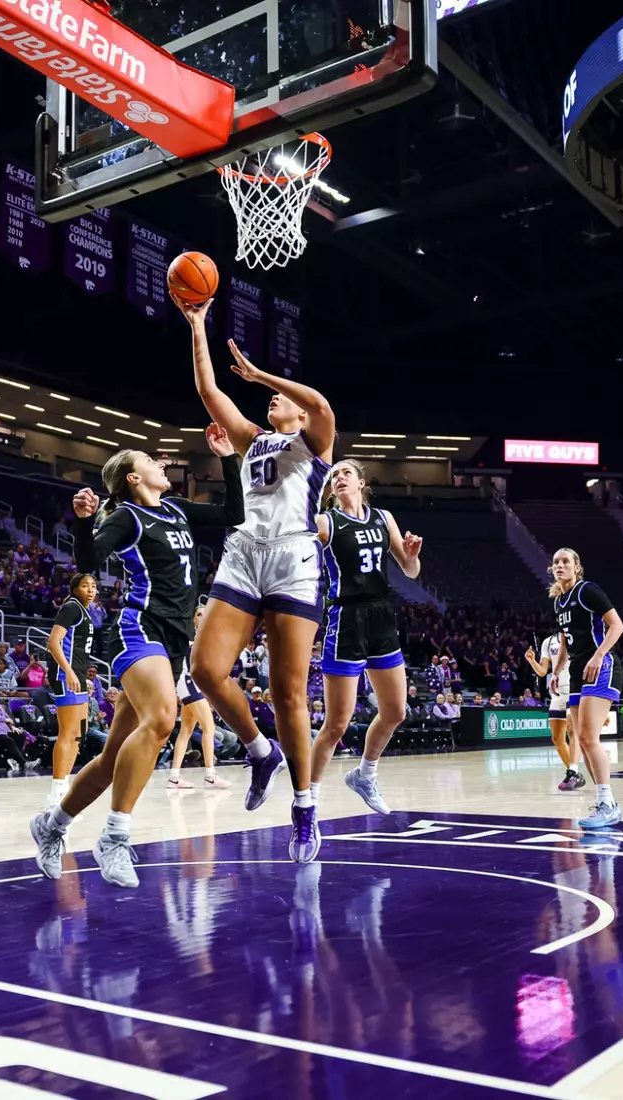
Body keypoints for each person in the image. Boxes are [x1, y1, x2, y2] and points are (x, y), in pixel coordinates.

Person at [30, 431, 244, 889]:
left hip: (173, 640)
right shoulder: (127, 516)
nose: (161, 462)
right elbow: (87, 560)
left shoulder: (175, 509)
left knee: (112, 758)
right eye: (152, 458)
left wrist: (228, 459)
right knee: (164, 719)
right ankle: (114, 836)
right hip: (138, 629)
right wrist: (85, 521)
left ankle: (52, 825)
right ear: (133, 477)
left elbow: (233, 514)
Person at [177, 292, 336, 863]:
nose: (274, 398)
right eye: (269, 395)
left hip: (294, 560)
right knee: (204, 669)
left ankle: (304, 804)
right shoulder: (250, 438)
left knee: (290, 692)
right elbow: (208, 392)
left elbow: (319, 403)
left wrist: (259, 372)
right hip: (246, 552)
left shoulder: (313, 442)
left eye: (280, 398)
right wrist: (198, 325)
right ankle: (258, 750)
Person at [308, 461, 422, 813]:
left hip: (381, 616)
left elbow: (411, 571)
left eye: (345, 472)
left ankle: (365, 774)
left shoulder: (383, 517)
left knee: (395, 711)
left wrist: (413, 555)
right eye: (334, 475)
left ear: (361, 482)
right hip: (346, 619)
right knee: (336, 724)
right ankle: (306, 803)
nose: (339, 478)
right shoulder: (325, 522)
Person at [548, 548, 623, 829]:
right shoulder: (558, 601)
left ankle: (607, 803)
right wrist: (555, 672)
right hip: (577, 671)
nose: (560, 565)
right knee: (580, 739)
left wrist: (599, 654)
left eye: (565, 561)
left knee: (590, 738)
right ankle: (606, 802)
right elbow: (565, 642)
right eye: (556, 562)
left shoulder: (587, 590)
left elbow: (617, 626)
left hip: (601, 667)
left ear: (576, 567)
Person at [45, 572, 98, 805]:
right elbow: (53, 641)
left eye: (94, 586)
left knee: (79, 734)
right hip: (64, 674)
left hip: (77, 675)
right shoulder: (72, 607)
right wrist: (67, 670)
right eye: (85, 585)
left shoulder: (84, 612)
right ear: (74, 588)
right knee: (67, 733)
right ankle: (56, 792)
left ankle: (65, 785)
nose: (91, 589)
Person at [167, 602, 232, 790]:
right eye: (200, 615)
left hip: (194, 684)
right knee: (209, 727)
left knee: (187, 730)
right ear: (194, 619)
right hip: (187, 680)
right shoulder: (188, 635)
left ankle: (174, 776)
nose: (203, 617)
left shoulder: (208, 638)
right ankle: (210, 774)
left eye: (206, 614)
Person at [525, 629, 581, 792]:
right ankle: (575, 775)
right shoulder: (548, 642)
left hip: (574, 688)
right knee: (557, 739)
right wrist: (531, 660)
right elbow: (542, 671)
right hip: (557, 693)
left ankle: (573, 771)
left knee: (573, 731)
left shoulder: (576, 636)